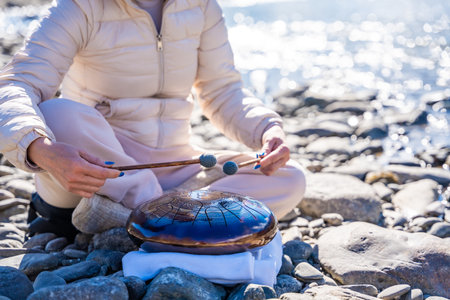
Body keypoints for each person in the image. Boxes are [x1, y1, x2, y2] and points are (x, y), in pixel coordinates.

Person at [0, 0, 306, 239]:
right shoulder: (79, 6)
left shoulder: (201, 6)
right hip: (95, 174)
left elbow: (222, 90)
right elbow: (16, 84)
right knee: (57, 115)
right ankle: (178, 220)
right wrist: (39, 149)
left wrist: (267, 129)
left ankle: (142, 217)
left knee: (289, 178)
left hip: (173, 166)